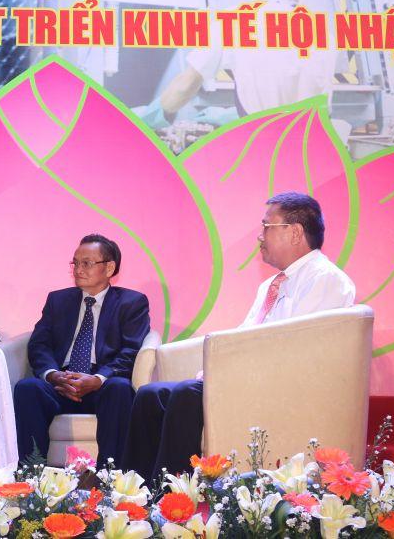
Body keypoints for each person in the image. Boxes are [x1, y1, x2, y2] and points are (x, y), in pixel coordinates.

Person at [121, 192, 356, 483]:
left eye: (266, 226)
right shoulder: (271, 285)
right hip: (247, 380)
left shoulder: (325, 279)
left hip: (281, 387)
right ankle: (134, 493)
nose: (259, 236)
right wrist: (216, 368)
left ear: (295, 232)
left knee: (185, 395)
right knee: (150, 395)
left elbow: (295, 348)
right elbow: (244, 337)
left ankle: (172, 495)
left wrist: (223, 372)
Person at [13, 234, 151, 466]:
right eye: (75, 263)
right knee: (28, 388)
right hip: (61, 382)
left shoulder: (132, 302)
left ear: (109, 268)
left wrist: (97, 379)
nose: (78, 269)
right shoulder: (58, 300)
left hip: (102, 385)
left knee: (120, 388)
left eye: (86, 263)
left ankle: (111, 475)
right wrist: (53, 375)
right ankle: (30, 474)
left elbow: (131, 350)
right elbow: (39, 344)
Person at [155, 0, 337, 122]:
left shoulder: (236, 20)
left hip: (264, 144)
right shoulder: (325, 34)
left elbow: (185, 86)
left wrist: (154, 115)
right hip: (312, 143)